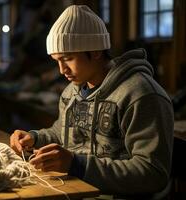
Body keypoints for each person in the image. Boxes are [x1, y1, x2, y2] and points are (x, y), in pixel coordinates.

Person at [10, 5, 173, 198]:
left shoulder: (141, 95)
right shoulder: (73, 91)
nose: (62, 70)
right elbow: (62, 132)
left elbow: (153, 173)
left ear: (95, 51)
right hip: (75, 191)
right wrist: (35, 138)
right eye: (57, 61)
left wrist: (76, 164)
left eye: (68, 59)